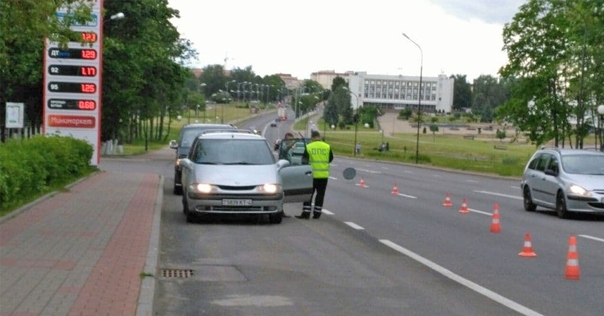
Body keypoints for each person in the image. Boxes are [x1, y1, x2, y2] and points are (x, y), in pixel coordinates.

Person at [296, 130, 334, 220]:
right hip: (323, 175)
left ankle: (306, 213)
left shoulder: (309, 146)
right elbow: (330, 158)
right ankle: (317, 213)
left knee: (309, 194)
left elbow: (304, 161)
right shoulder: (327, 146)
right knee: (320, 195)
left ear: (312, 137)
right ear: (319, 137)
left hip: (311, 175)